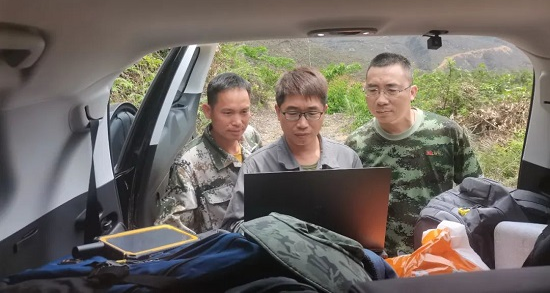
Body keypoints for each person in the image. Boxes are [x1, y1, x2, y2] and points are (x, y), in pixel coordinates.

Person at [345, 52, 483, 256]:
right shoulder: (357, 144)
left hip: (438, 251)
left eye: (391, 90)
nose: (381, 100)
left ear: (412, 92)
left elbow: (474, 191)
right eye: (372, 90)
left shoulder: (445, 132)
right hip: (384, 258)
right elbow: (351, 211)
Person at [222, 66, 362, 232]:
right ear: (278, 112)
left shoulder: (348, 159)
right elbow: (233, 226)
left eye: (312, 113)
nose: (302, 124)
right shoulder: (256, 166)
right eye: (292, 113)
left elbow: (361, 221)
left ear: (324, 111)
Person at [155, 72, 262, 234]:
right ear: (208, 111)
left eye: (244, 112)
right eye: (228, 113)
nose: (238, 122)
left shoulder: (252, 137)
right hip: (222, 247)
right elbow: (173, 231)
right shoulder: (189, 163)